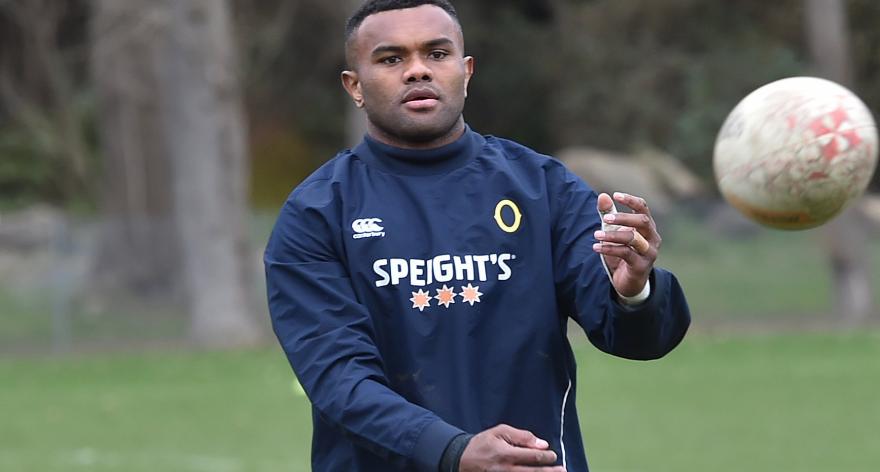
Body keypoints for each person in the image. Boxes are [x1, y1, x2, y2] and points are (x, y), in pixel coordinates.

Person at [263, 1, 691, 470]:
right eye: (391, 59)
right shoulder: (316, 213)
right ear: (354, 86)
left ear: (466, 72)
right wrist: (453, 452)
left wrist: (633, 293)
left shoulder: (542, 188)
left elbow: (639, 340)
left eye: (437, 54)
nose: (417, 71)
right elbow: (338, 378)